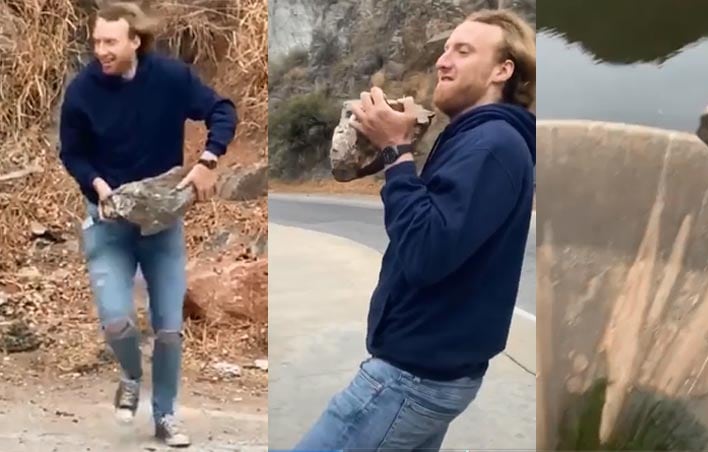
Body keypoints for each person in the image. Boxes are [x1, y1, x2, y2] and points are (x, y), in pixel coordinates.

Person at [294, 8, 535, 451]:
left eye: (463, 51)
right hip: (435, 371)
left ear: (503, 70)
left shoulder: (490, 145)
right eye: (445, 50)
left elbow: (426, 251)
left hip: (411, 378)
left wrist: (397, 152)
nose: (443, 61)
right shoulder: (481, 138)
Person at [58, 2, 237, 448]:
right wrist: (96, 184)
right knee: (117, 321)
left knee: (169, 328)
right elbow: (72, 152)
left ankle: (166, 416)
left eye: (110, 42)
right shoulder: (82, 90)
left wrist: (209, 159)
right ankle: (131, 375)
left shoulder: (171, 79)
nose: (101, 50)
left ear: (135, 40)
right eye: (97, 41)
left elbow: (222, 110)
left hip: (161, 222)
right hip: (108, 220)